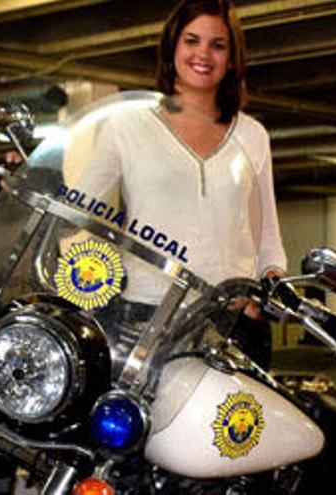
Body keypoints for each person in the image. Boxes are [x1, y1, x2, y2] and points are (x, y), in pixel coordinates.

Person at [74, 0, 286, 366]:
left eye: (218, 45)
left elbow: (267, 240)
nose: (203, 54)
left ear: (233, 58)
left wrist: (269, 287)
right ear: (172, 48)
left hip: (234, 326)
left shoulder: (252, 135)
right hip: (146, 320)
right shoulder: (127, 127)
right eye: (192, 41)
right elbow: (77, 213)